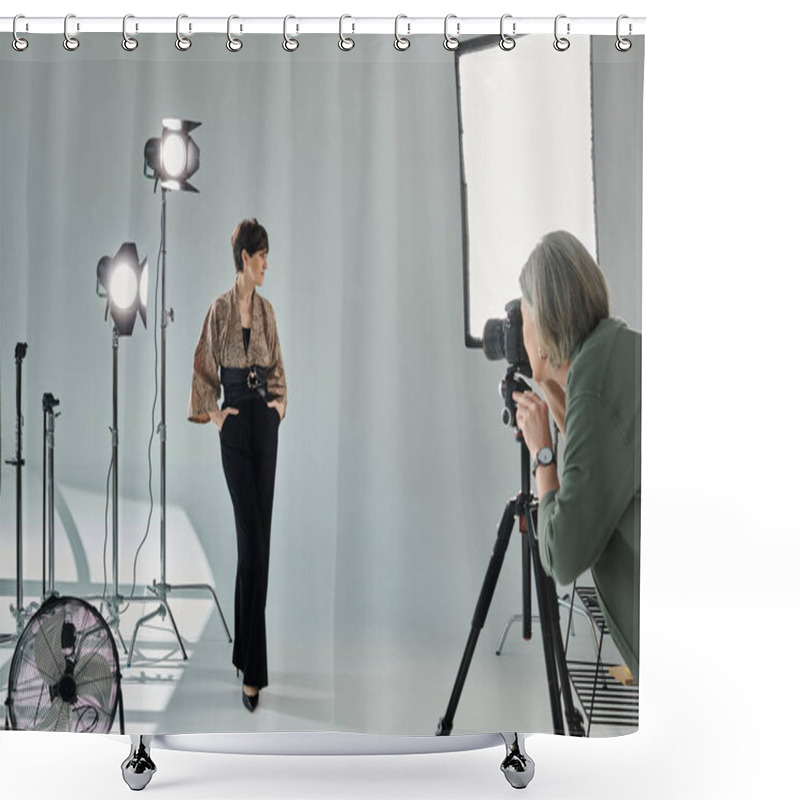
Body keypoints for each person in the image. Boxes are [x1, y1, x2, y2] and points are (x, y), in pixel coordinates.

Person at [511, 230, 640, 681]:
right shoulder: (613, 354)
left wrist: (542, 452)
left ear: (544, 327)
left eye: (522, 316)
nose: (517, 331)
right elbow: (602, 462)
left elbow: (562, 557)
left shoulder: (595, 393)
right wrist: (550, 385)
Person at [188, 218, 286, 711]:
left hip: (264, 427)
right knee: (252, 546)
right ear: (245, 257)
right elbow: (203, 369)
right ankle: (253, 671)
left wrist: (279, 407)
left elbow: (278, 370)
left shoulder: (266, 312)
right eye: (263, 254)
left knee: (260, 544)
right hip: (234, 427)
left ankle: (243, 656)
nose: (268, 262)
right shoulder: (220, 310)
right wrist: (215, 416)